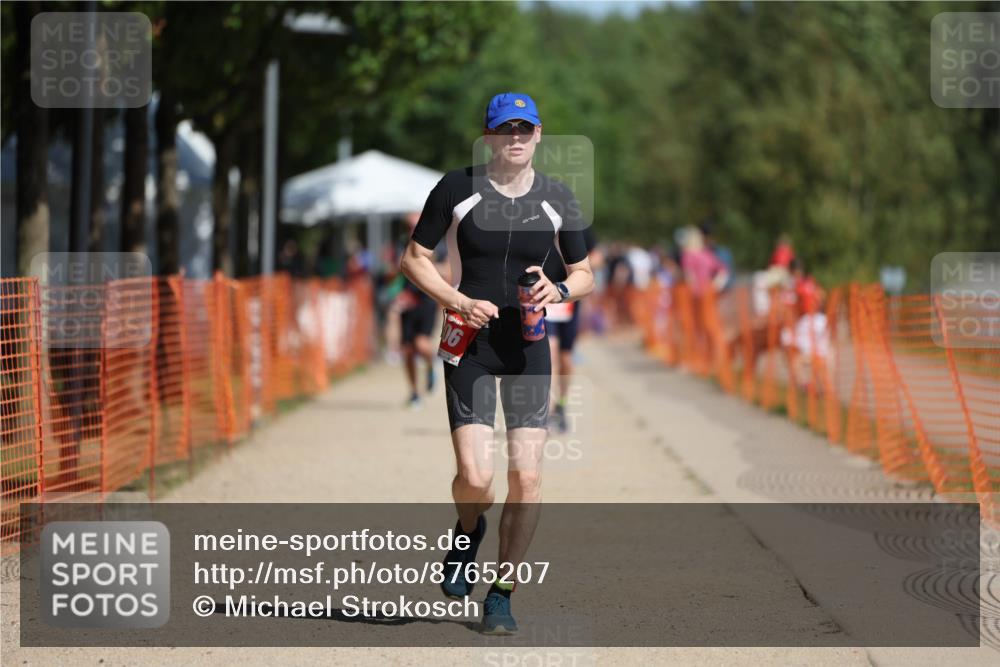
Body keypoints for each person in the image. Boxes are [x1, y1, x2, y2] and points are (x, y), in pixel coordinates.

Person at [400, 92, 594, 635]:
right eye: (505, 128)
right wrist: (457, 301)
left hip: (529, 346)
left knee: (527, 478)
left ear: (538, 134)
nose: (516, 137)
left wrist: (558, 288)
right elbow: (414, 260)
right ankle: (467, 533)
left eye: (525, 128)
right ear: (488, 135)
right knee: (476, 477)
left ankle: (502, 593)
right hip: (471, 344)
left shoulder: (558, 197)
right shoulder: (456, 188)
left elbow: (585, 272)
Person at [543, 224, 598, 432]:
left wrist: (577, 271)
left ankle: (562, 405)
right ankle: (545, 411)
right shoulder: (534, 221)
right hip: (543, 299)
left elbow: (597, 257)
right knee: (550, 352)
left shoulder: (579, 227)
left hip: (568, 299)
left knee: (566, 358)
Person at [394, 213, 446, 407]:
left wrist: (426, 264)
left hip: (426, 301)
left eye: (415, 225)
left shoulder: (437, 246)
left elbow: (446, 272)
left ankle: (431, 365)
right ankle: (414, 392)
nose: (412, 229)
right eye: (409, 226)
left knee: (421, 344)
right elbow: (396, 272)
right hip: (407, 302)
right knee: (407, 350)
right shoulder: (401, 245)